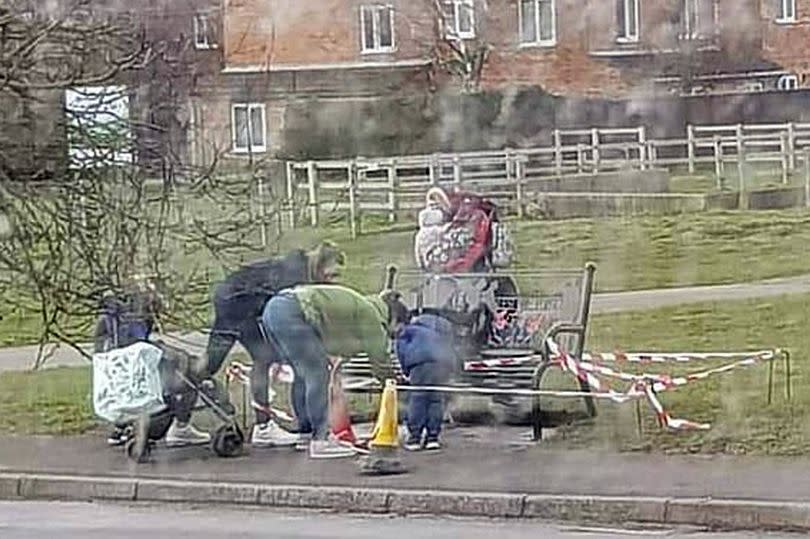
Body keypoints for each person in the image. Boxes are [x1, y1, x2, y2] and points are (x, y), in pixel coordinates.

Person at [205, 242, 345, 448]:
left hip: (228, 295)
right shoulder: (296, 277)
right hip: (239, 303)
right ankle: (263, 428)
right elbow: (279, 314)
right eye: (331, 274)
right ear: (321, 263)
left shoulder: (297, 266)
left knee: (209, 364)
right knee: (264, 358)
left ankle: (179, 422)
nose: (332, 280)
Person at [261, 284, 408, 459]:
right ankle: (321, 440)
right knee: (318, 374)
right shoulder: (371, 316)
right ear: (394, 318)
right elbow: (380, 361)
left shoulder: (359, 305)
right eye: (396, 330)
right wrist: (394, 385)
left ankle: (305, 434)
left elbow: (339, 344)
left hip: (274, 309)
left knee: (302, 375)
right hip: (293, 312)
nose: (393, 336)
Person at [94, 277, 209, 448]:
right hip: (144, 368)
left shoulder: (109, 321)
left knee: (129, 386)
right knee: (191, 375)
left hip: (122, 374)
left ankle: (121, 427)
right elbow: (143, 345)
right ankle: (181, 427)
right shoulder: (137, 318)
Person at [395, 313, 457, 451]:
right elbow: (450, 350)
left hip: (420, 365)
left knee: (418, 398)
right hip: (441, 364)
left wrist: (406, 371)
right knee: (436, 399)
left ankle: (415, 438)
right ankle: (432, 437)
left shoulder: (409, 331)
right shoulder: (438, 333)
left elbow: (401, 350)